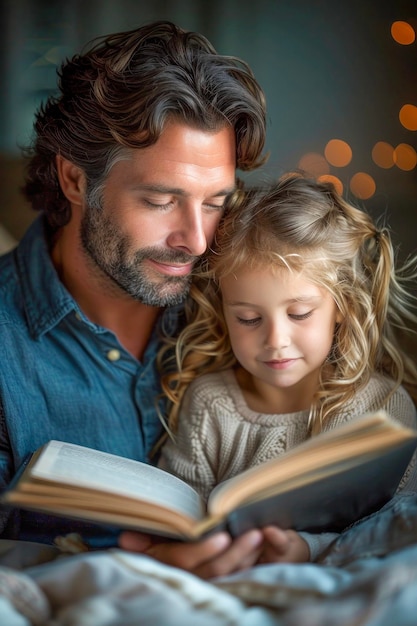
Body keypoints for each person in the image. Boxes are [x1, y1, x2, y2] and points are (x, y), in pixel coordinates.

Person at [0, 20, 269, 577]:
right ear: (75, 180)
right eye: (160, 200)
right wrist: (135, 565)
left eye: (215, 202)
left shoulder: (245, 308)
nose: (195, 240)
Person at [157, 173, 417, 564]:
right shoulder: (210, 403)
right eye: (247, 318)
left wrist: (307, 550)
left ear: (342, 306)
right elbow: (177, 514)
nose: (275, 340)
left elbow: (401, 527)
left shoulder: (384, 408)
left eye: (299, 313)